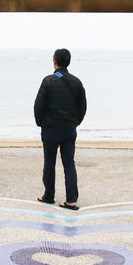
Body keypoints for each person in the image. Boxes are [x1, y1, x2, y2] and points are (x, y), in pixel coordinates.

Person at [33, 48, 86, 210]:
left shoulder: (48, 81)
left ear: (54, 61)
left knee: (49, 163)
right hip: (69, 130)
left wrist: (40, 123)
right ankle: (71, 200)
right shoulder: (77, 82)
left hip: (50, 129)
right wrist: (75, 122)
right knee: (69, 163)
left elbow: (38, 106)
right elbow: (83, 107)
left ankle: (49, 195)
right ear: (68, 62)